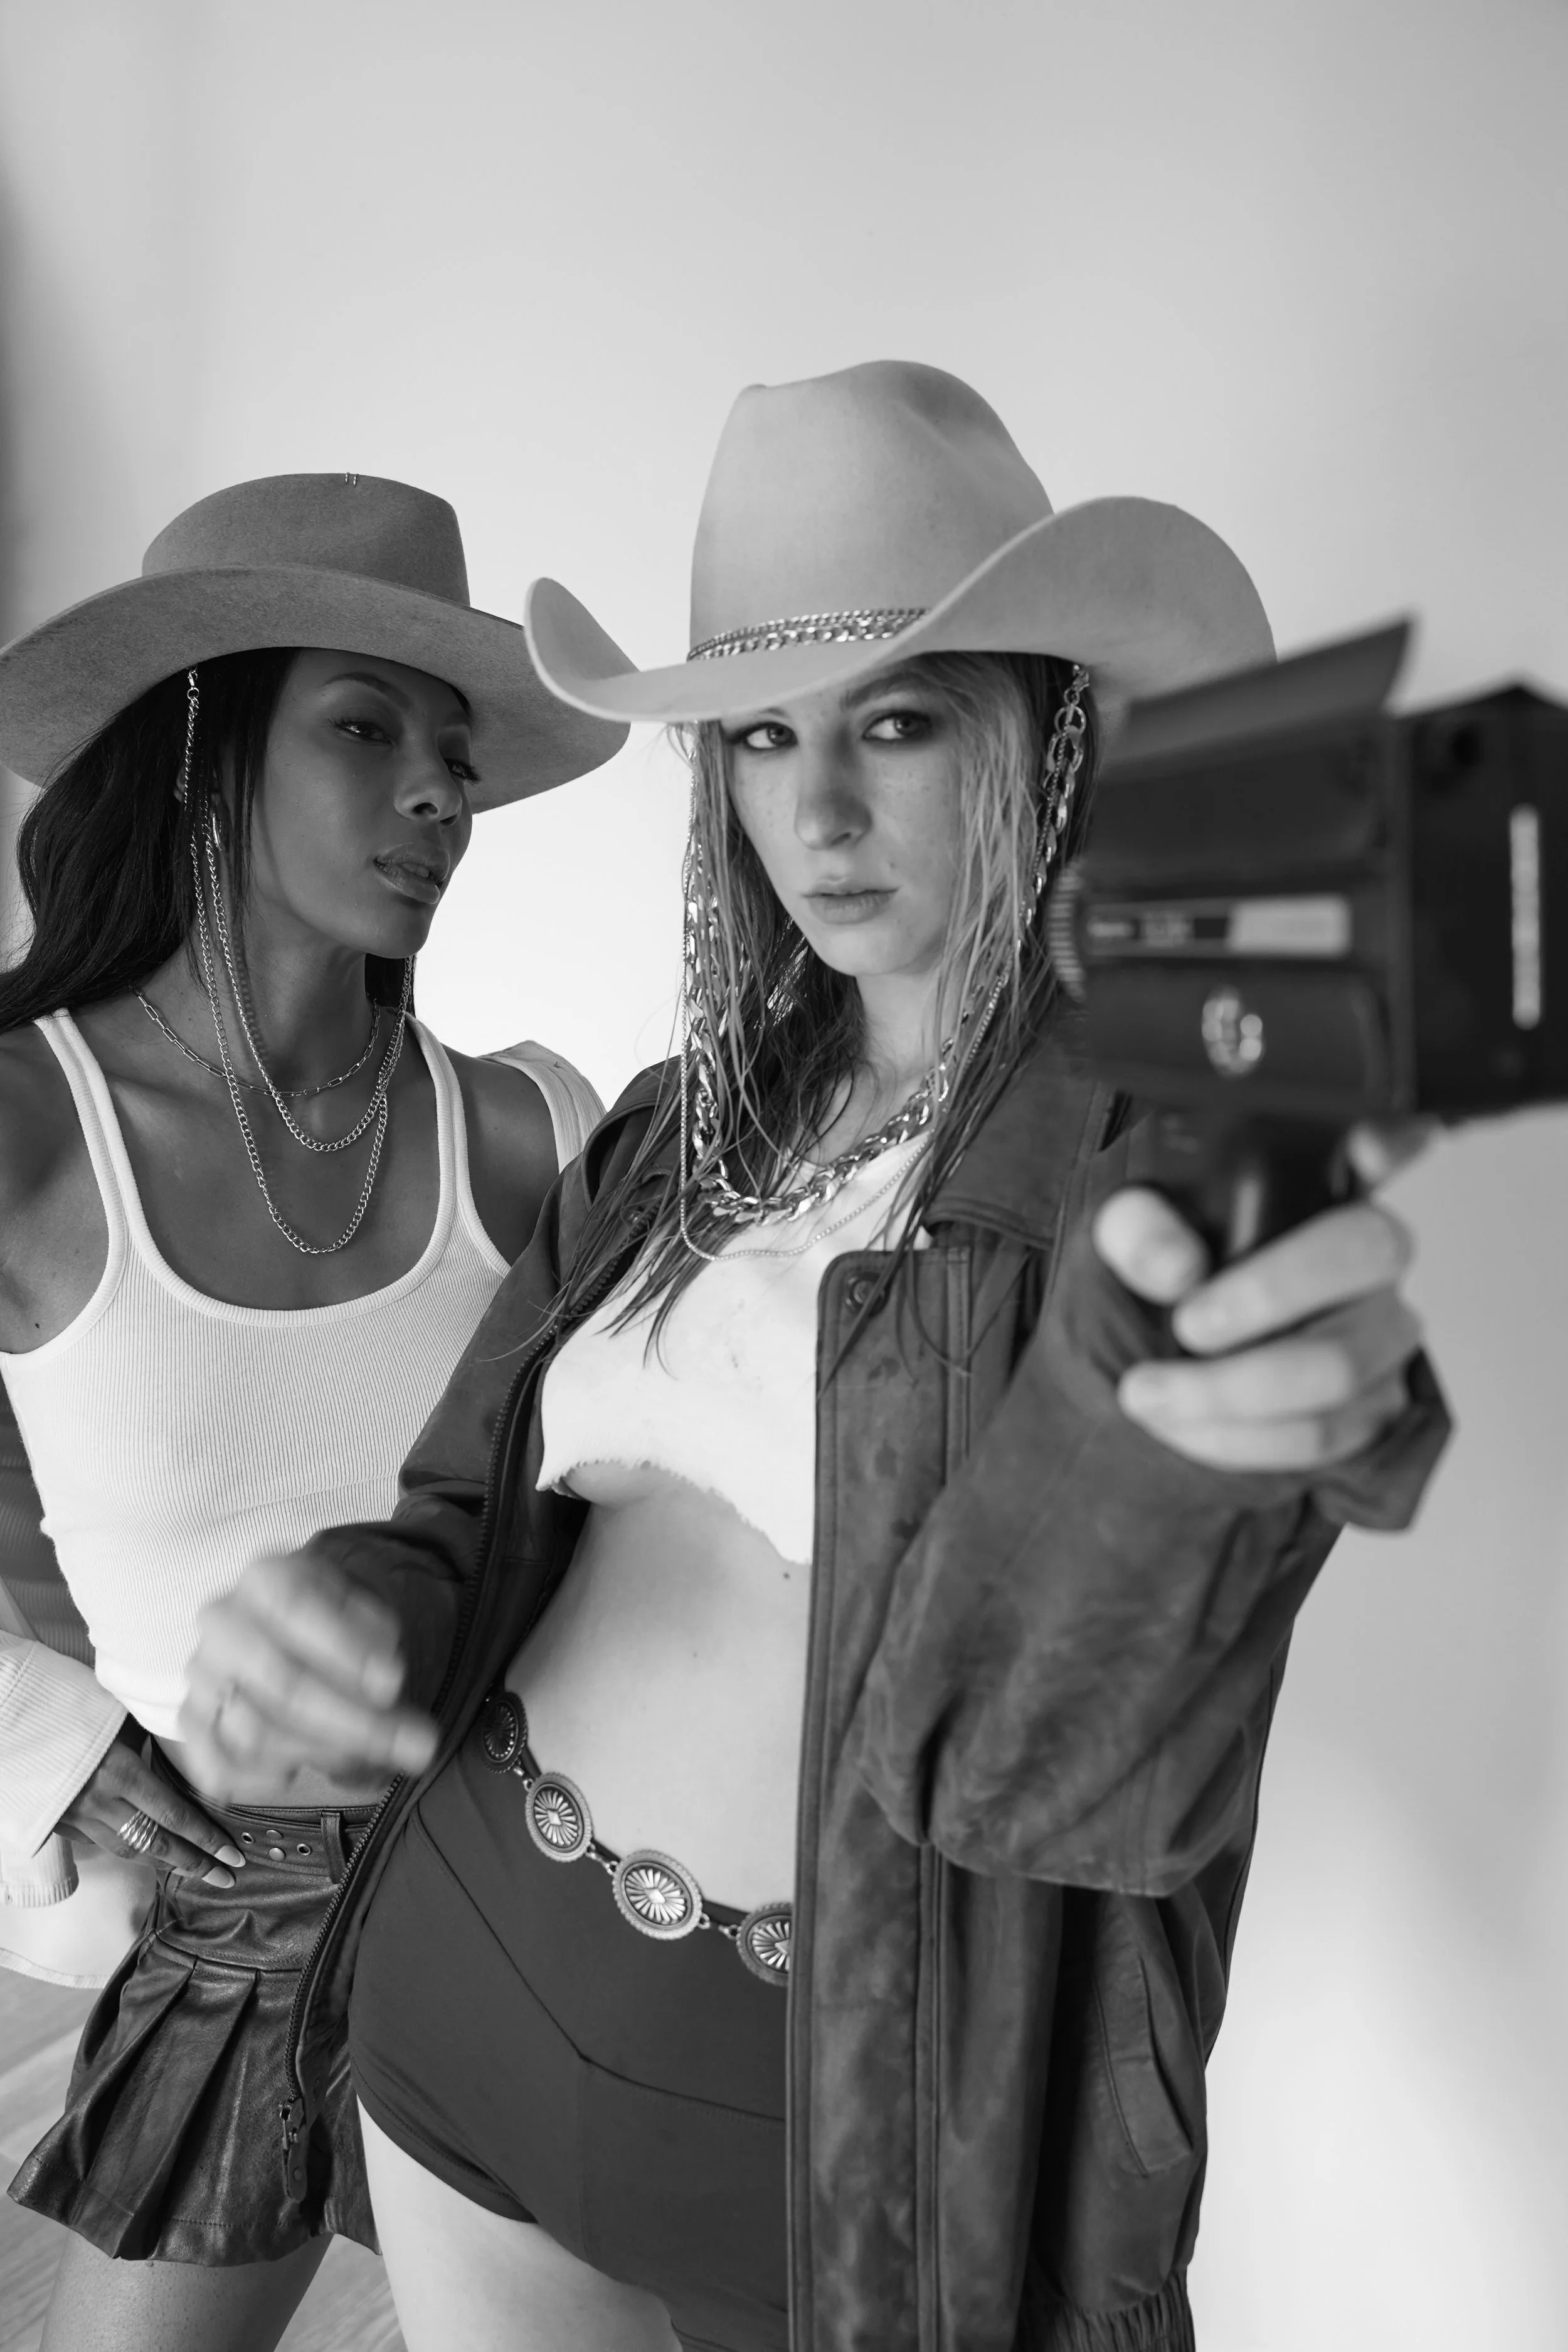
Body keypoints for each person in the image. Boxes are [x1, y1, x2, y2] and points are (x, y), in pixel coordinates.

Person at [182, 366, 1450, 2352]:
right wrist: (337, 1622)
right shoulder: (674, 1131)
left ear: (1043, 731)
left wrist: (1232, 1449)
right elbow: (463, 1511)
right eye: (762, 737)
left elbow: (1111, 1694)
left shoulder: (1142, 1138)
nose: (816, 811)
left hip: (851, 2153)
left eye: (895, 724)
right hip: (457, 2012)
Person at [0, 470, 623, 2351]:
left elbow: (620, 1523)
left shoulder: (527, 1127)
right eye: (367, 726)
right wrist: (55, 1745)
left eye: (457, 751)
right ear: (201, 738)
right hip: (239, 1920)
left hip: (532, 1901)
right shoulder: (29, 1124)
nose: (441, 791)